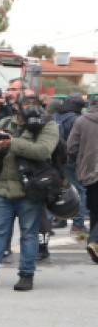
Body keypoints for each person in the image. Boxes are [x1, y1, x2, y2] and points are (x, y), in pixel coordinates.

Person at [0, 99, 59, 291]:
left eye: (33, 102)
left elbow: (43, 151)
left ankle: (26, 275)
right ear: (17, 105)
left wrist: (12, 143)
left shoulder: (48, 125)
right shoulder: (4, 123)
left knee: (29, 234)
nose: (29, 107)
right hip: (1, 189)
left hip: (30, 190)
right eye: (25, 103)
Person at [66, 96, 98, 262]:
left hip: (88, 172)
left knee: (94, 210)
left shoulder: (81, 121)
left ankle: (94, 247)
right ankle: (94, 241)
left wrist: (80, 162)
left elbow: (71, 148)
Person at [53, 91, 88, 235]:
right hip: (71, 160)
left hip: (54, 160)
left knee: (55, 190)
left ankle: (55, 220)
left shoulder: (54, 117)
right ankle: (77, 224)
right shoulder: (77, 119)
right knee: (80, 190)